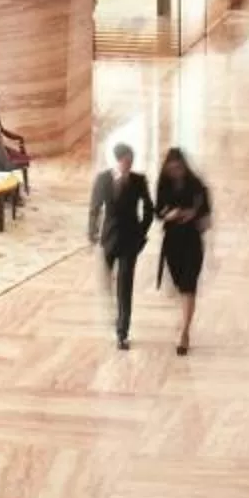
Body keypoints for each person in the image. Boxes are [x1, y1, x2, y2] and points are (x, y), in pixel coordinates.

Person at [86, 141, 153, 350]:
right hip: (109, 239)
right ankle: (114, 317)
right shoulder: (103, 180)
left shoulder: (139, 180)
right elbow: (95, 208)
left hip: (130, 241)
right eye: (126, 161)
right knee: (107, 283)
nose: (129, 165)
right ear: (118, 161)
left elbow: (149, 208)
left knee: (125, 287)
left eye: (131, 161)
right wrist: (92, 232)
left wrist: (141, 232)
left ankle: (122, 332)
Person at [153, 147, 212, 357]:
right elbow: (158, 212)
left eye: (178, 168)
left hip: (192, 242)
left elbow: (206, 218)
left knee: (188, 286)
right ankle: (184, 323)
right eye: (172, 169)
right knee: (180, 285)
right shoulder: (163, 185)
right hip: (172, 243)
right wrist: (170, 215)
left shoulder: (197, 187)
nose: (176, 172)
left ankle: (184, 333)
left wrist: (192, 216)